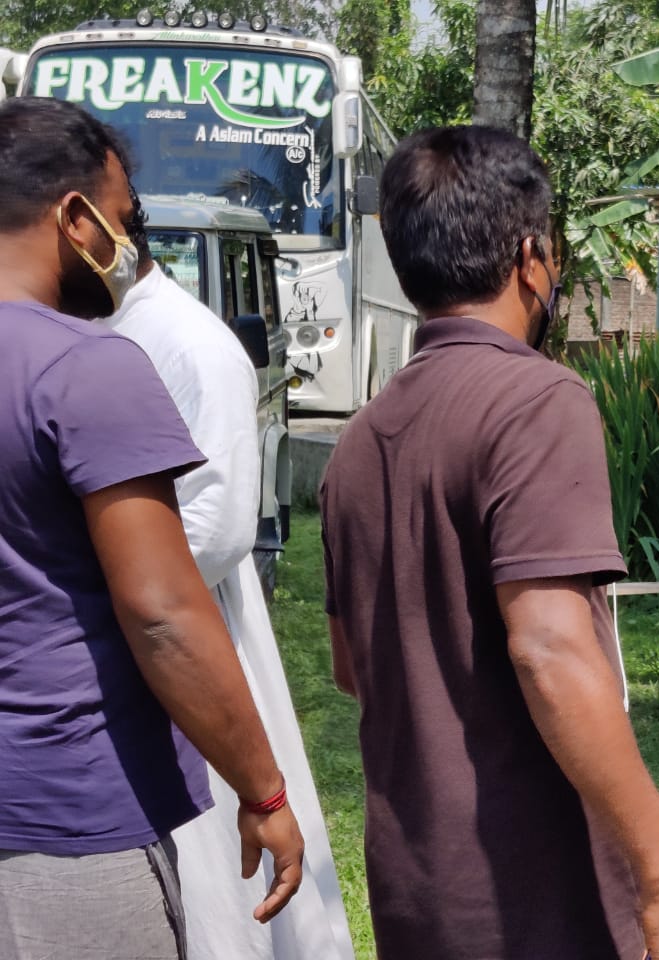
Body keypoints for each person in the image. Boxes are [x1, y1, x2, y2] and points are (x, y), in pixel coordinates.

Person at [320, 125, 659, 960]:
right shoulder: (538, 400)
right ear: (532, 257)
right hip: (535, 894)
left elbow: (350, 666)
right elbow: (550, 648)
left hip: (417, 885)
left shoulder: (360, 438)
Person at [0, 97, 303, 958]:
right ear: (75, 217)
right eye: (127, 220)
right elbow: (163, 612)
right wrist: (265, 791)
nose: (131, 249)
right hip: (62, 824)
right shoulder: (87, 367)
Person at [103, 192, 355, 960]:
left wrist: (107, 569)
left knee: (213, 869)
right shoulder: (103, 329)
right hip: (133, 626)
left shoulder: (191, 343)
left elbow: (217, 525)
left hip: (184, 626)